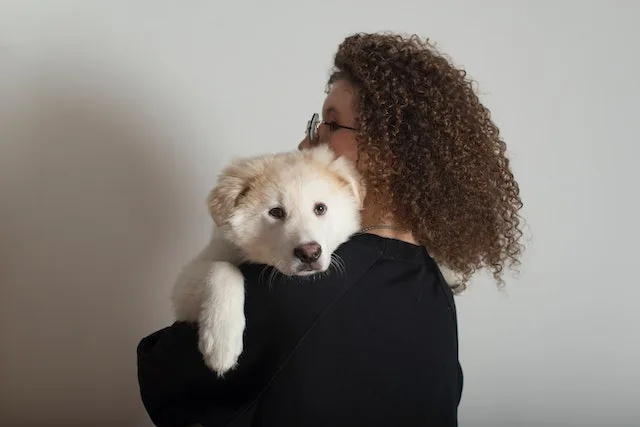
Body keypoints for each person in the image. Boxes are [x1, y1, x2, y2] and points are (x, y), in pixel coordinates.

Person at [136, 32, 524, 427]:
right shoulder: (438, 288)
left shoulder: (292, 286)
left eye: (331, 125)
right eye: (318, 123)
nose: (308, 141)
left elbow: (165, 380)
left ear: (388, 152)